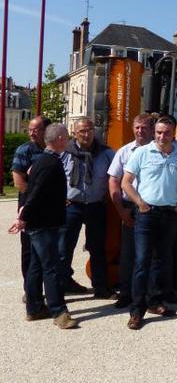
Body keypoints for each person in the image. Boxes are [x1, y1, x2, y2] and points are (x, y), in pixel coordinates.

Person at [121, 115, 177, 329]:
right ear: (154, 132)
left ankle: (155, 301)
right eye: (159, 132)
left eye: (167, 132)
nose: (162, 136)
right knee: (142, 262)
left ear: (173, 134)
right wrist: (139, 202)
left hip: (169, 214)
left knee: (161, 261)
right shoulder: (142, 153)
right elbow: (125, 183)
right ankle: (136, 310)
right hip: (147, 214)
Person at [8, 123, 79, 329]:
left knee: (36, 266)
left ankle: (34, 308)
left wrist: (25, 215)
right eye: (66, 136)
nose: (68, 140)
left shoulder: (42, 161)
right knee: (52, 268)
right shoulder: (50, 163)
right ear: (58, 139)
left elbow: (34, 189)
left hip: (39, 222)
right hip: (44, 224)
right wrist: (23, 215)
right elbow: (36, 192)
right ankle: (59, 312)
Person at [59, 117, 116, 298]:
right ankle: (63, 283)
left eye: (90, 130)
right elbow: (52, 176)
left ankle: (100, 287)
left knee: (97, 248)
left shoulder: (106, 153)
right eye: (82, 131)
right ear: (74, 133)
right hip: (71, 207)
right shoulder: (63, 152)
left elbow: (116, 177)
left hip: (95, 206)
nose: (87, 134)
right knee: (65, 248)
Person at [108, 113, 154, 309]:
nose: (140, 131)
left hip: (154, 208)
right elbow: (113, 180)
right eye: (137, 127)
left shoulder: (162, 150)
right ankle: (126, 292)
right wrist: (121, 211)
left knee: (154, 253)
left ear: (152, 130)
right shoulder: (125, 152)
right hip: (131, 209)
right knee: (129, 252)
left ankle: (153, 295)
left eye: (144, 127)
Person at [11, 115, 49, 290]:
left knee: (50, 249)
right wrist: (36, 201)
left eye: (37, 129)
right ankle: (31, 290)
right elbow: (19, 182)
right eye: (30, 129)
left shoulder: (53, 150)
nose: (32, 133)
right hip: (30, 206)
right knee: (29, 249)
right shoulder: (24, 150)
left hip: (50, 207)